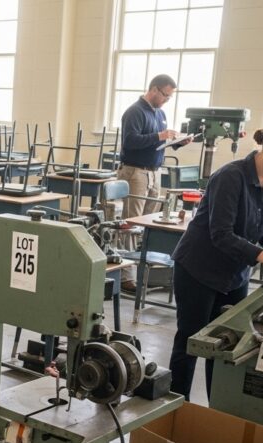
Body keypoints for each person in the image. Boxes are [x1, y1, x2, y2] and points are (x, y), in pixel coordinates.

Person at [167, 119, 263, 401]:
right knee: (191, 341)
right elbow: (221, 234)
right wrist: (262, 255)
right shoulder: (230, 177)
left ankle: (217, 407)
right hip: (198, 269)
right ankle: (175, 408)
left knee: (226, 344)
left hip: (234, 275)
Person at [116, 74, 184, 292]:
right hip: (135, 171)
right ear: (153, 90)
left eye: (169, 97)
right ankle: (126, 275)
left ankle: (144, 270)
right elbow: (130, 141)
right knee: (131, 222)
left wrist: (178, 142)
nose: (166, 100)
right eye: (165, 95)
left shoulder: (160, 113)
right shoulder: (134, 112)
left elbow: (159, 141)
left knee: (149, 222)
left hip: (154, 172)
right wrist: (159, 135)